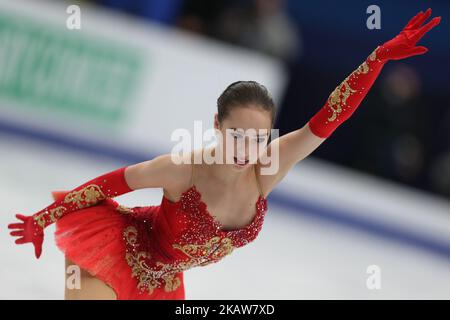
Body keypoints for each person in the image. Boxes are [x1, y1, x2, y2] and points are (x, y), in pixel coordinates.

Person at [8, 9, 440, 299]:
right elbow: (108, 184)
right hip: (116, 252)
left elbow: (329, 119)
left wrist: (378, 57)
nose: (247, 150)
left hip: (165, 284)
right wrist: (43, 220)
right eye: (237, 136)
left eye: (258, 138)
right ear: (217, 127)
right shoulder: (182, 169)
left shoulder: (266, 171)